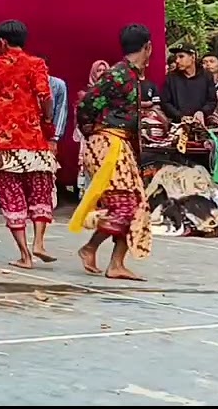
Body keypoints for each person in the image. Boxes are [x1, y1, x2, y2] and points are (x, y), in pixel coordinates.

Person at [0, 20, 58, 269]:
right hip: (33, 142)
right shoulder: (36, 64)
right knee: (40, 192)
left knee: (12, 198)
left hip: (2, 144)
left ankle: (25, 255)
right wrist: (47, 117)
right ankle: (39, 242)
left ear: (2, 42)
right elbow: (45, 96)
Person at [70, 23, 155, 281]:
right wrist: (92, 131)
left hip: (120, 145)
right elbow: (86, 102)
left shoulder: (130, 76)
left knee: (136, 205)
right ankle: (91, 248)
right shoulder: (119, 74)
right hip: (109, 144)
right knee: (125, 206)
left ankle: (114, 262)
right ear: (148, 47)